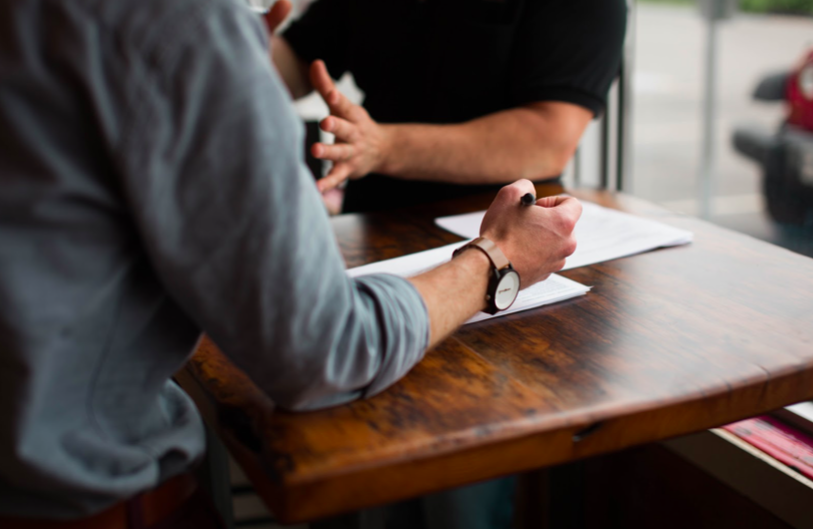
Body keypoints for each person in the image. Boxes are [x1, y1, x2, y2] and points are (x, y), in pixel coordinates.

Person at [0, 0, 581, 527]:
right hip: (81, 495)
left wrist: (231, 63)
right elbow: (322, 349)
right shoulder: (178, 23)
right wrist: (497, 259)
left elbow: (552, 134)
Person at [271, 0, 628, 213]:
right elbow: (299, 60)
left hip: (501, 230)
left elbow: (547, 140)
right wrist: (233, 47)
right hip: (372, 218)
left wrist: (382, 146)